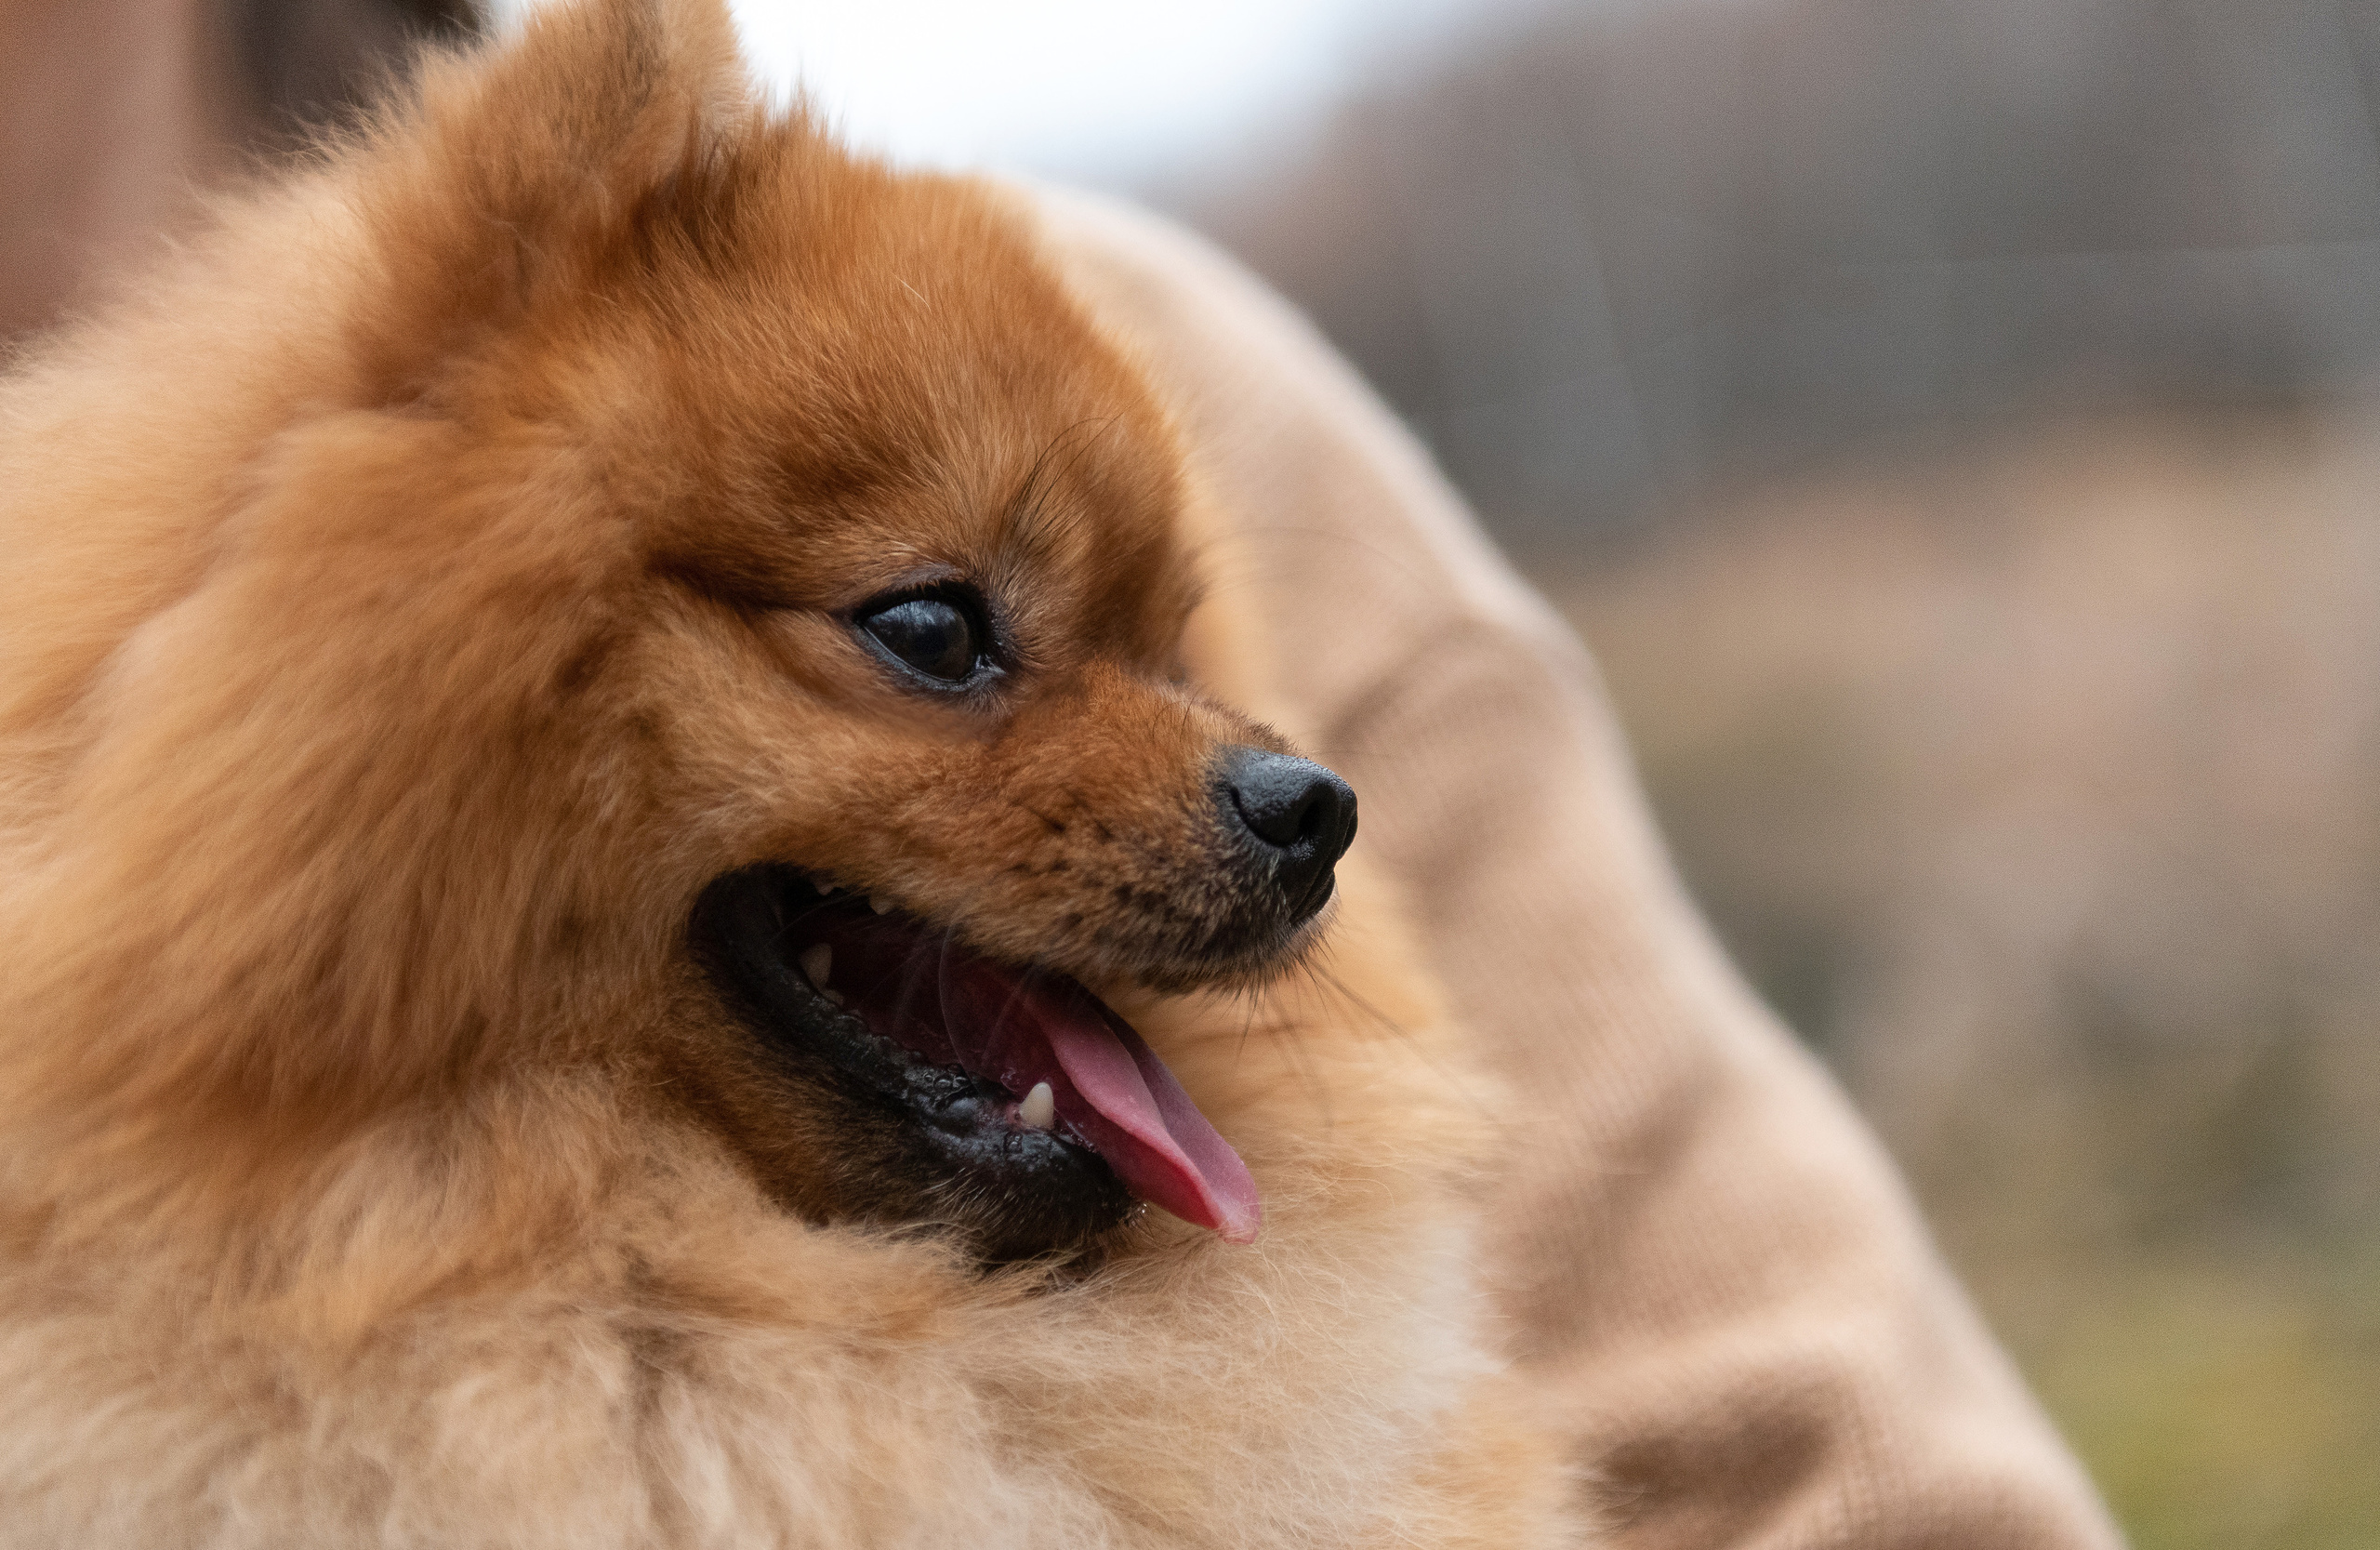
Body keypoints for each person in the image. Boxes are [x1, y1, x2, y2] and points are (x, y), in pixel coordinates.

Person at [0, 4, 2122, 1543]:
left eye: (1176, 655)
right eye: (932, 640)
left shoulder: (1124, 355)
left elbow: (1866, 1486)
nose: (1250, 764)